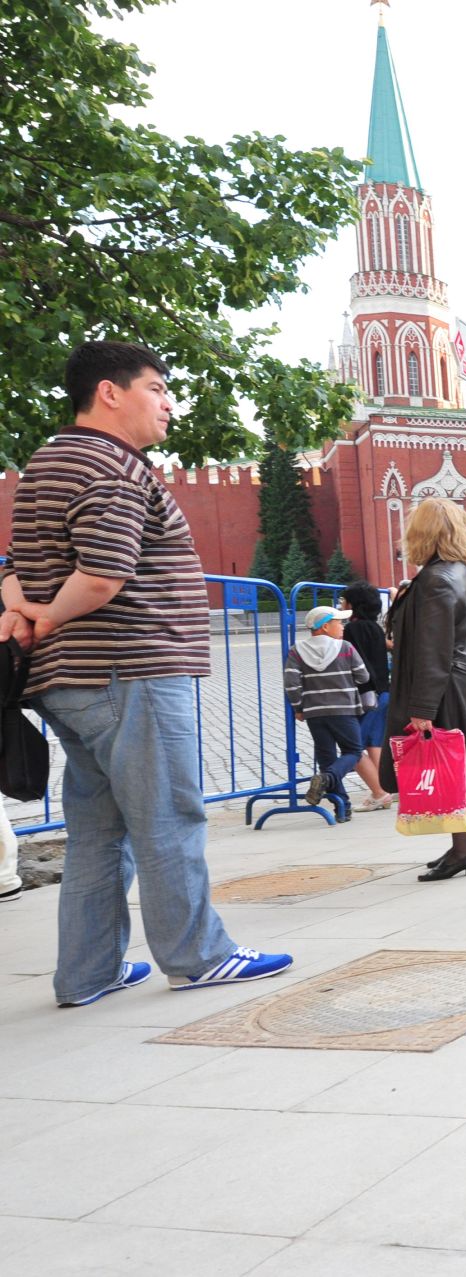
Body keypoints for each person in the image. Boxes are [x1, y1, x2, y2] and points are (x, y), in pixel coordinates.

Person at [0, 340, 291, 1004]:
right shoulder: (109, 465)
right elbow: (103, 573)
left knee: (99, 830)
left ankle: (86, 972)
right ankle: (197, 954)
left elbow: (11, 560)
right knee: (169, 816)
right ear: (109, 392)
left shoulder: (46, 460)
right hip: (130, 669)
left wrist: (22, 608)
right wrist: (47, 616)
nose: (168, 403)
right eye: (157, 388)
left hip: (74, 680)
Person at [381, 498, 466, 880]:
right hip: (464, 681)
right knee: (460, 766)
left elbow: (433, 648)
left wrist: (422, 708)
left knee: (455, 769)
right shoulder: (462, 570)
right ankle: (464, 846)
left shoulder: (435, 579)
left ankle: (464, 850)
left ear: (423, 534)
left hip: (446, 684)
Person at [283, 605, 372, 819]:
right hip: (343, 709)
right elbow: (364, 677)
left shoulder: (297, 650)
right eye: (338, 622)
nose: (342, 626)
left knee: (326, 757)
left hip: (315, 713)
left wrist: (298, 707)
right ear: (324, 627)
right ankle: (328, 779)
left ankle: (342, 807)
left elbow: (291, 683)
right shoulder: (345, 647)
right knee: (353, 751)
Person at [339, 582, 396, 808]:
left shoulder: (352, 630)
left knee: (352, 746)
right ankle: (383, 789)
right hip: (383, 693)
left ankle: (379, 792)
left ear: (354, 604)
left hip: (366, 695)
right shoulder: (374, 628)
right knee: (374, 743)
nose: (342, 604)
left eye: (345, 601)